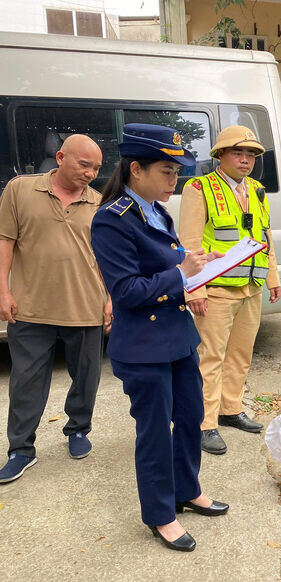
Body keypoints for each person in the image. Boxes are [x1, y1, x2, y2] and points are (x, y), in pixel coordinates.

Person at [91, 123, 229, 552]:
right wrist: (180, 273)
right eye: (167, 172)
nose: (176, 180)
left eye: (177, 171)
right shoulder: (110, 220)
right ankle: (160, 514)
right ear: (137, 169)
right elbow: (128, 291)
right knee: (154, 431)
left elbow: (168, 266)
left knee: (190, 419)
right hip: (144, 347)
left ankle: (187, 490)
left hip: (178, 336)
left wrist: (197, 263)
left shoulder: (155, 210)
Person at [0, 134, 112, 484]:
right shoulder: (20, 190)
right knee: (25, 382)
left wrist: (110, 298)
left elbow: (108, 257)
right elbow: (5, 241)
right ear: (60, 157)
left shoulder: (100, 203)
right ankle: (21, 449)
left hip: (86, 305)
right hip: (31, 307)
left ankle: (78, 430)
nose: (91, 173)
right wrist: (2, 289)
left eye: (96, 167)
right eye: (84, 164)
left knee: (87, 377)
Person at [179, 125, 280, 455]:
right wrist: (194, 290)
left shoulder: (257, 190)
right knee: (209, 358)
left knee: (240, 355)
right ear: (219, 155)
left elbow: (265, 238)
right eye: (238, 152)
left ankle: (230, 409)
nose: (246, 159)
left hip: (250, 288)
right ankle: (205, 423)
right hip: (217, 289)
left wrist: (273, 278)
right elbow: (189, 244)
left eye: (251, 154)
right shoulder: (200, 188)